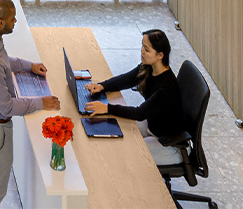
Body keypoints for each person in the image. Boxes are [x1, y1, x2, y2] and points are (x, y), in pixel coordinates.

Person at [0, 0, 59, 209]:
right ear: (0, 22)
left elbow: (2, 62)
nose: (15, 21)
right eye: (12, 19)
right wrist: (40, 102)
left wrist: (28, 65)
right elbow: (6, 106)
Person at [82, 28, 194, 168]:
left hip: (169, 144)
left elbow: (139, 113)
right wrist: (102, 86)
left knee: (129, 154)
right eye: (142, 46)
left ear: (160, 55)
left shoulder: (166, 87)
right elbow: (127, 79)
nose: (142, 51)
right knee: (115, 127)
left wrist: (107, 108)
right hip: (153, 126)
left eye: (147, 50)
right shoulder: (149, 67)